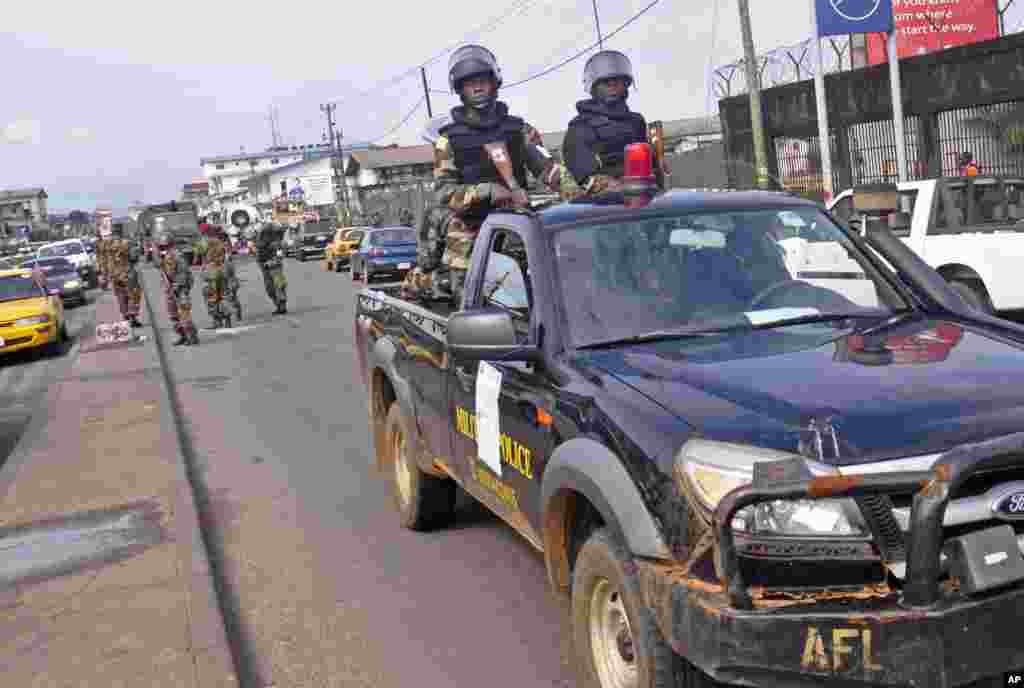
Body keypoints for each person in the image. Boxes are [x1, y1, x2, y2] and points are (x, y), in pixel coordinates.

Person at [402, 44, 560, 305]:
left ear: (494, 83)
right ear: (460, 90)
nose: (476, 88)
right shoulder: (448, 141)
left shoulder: (519, 130)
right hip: (469, 225)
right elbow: (444, 193)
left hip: (516, 218)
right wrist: (486, 191)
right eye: (469, 84)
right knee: (467, 293)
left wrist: (586, 196)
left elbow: (550, 170)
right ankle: (419, 281)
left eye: (482, 81)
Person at [561, 50, 661, 197]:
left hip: (646, 198)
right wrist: (617, 187)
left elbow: (651, 166)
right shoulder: (580, 126)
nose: (613, 86)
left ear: (626, 84)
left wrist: (657, 165)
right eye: (606, 82)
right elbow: (586, 177)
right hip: (607, 206)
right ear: (594, 87)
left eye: (618, 81)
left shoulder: (636, 121)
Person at [158, 232, 199, 346]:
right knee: (173, 315)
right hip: (170, 289)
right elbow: (164, 271)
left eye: (165, 245)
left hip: (179, 289)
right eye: (162, 245)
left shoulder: (177, 255)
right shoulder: (166, 255)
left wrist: (178, 285)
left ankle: (191, 337)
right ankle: (183, 336)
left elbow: (184, 272)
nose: (163, 247)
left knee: (184, 313)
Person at [108, 223, 143, 327]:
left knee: (121, 296)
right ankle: (133, 317)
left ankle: (125, 316)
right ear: (121, 231)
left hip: (114, 275)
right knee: (133, 294)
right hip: (127, 273)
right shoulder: (126, 243)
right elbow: (134, 257)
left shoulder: (107, 244)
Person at [199, 223, 231, 329]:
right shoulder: (219, 241)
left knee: (211, 297)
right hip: (222, 270)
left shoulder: (204, 242)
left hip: (211, 272)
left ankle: (216, 321)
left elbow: (199, 253)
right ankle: (227, 320)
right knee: (223, 295)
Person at [255, 223, 288, 314]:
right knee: (269, 288)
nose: (265, 236)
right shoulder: (260, 242)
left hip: (275, 266)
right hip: (264, 266)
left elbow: (280, 255)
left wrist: (273, 262)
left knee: (279, 285)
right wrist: (261, 263)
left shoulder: (278, 243)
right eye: (264, 234)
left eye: (267, 233)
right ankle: (278, 305)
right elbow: (258, 255)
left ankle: (282, 306)